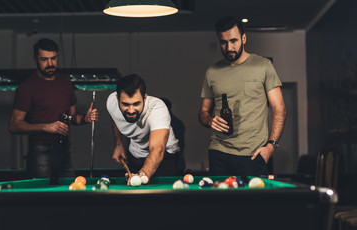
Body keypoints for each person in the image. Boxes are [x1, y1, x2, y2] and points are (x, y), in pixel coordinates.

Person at [198, 16, 286, 176]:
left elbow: (279, 108)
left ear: (244, 38)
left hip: (253, 154)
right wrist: (210, 120)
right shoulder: (212, 71)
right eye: (223, 42)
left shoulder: (263, 65)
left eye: (234, 40)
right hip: (219, 152)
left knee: (252, 201)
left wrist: (271, 147)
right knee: (220, 201)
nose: (229, 47)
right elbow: (203, 112)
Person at [8, 38, 99, 178]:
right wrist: (45, 127)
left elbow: (73, 117)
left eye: (53, 58)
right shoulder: (27, 87)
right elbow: (14, 126)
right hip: (40, 152)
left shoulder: (65, 81)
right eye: (44, 59)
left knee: (71, 193)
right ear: (35, 59)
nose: (50, 63)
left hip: (64, 152)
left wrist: (85, 118)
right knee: (42, 197)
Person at [106, 74, 180, 183]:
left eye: (136, 104)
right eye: (125, 104)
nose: (131, 110)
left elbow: (157, 149)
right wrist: (118, 144)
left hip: (164, 156)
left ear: (145, 98)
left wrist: (142, 175)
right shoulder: (111, 102)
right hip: (135, 154)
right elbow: (115, 118)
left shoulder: (157, 109)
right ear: (117, 99)